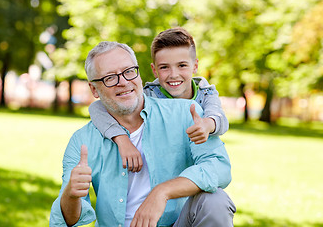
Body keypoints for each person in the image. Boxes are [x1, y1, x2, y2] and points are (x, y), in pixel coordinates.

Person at [50, 41, 235, 227]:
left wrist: (163, 191)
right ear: (94, 89)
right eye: (110, 77)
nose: (123, 82)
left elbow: (219, 167)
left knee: (215, 200)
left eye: (128, 71)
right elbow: (67, 221)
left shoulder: (186, 113)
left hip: (177, 223)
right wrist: (71, 195)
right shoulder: (83, 140)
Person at [89, 27, 228, 172]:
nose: (173, 74)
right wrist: (121, 139)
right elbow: (96, 108)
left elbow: (219, 117)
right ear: (154, 70)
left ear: (195, 66)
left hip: (197, 168)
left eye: (182, 65)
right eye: (164, 67)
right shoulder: (149, 95)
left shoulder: (206, 93)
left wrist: (208, 125)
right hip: (164, 170)